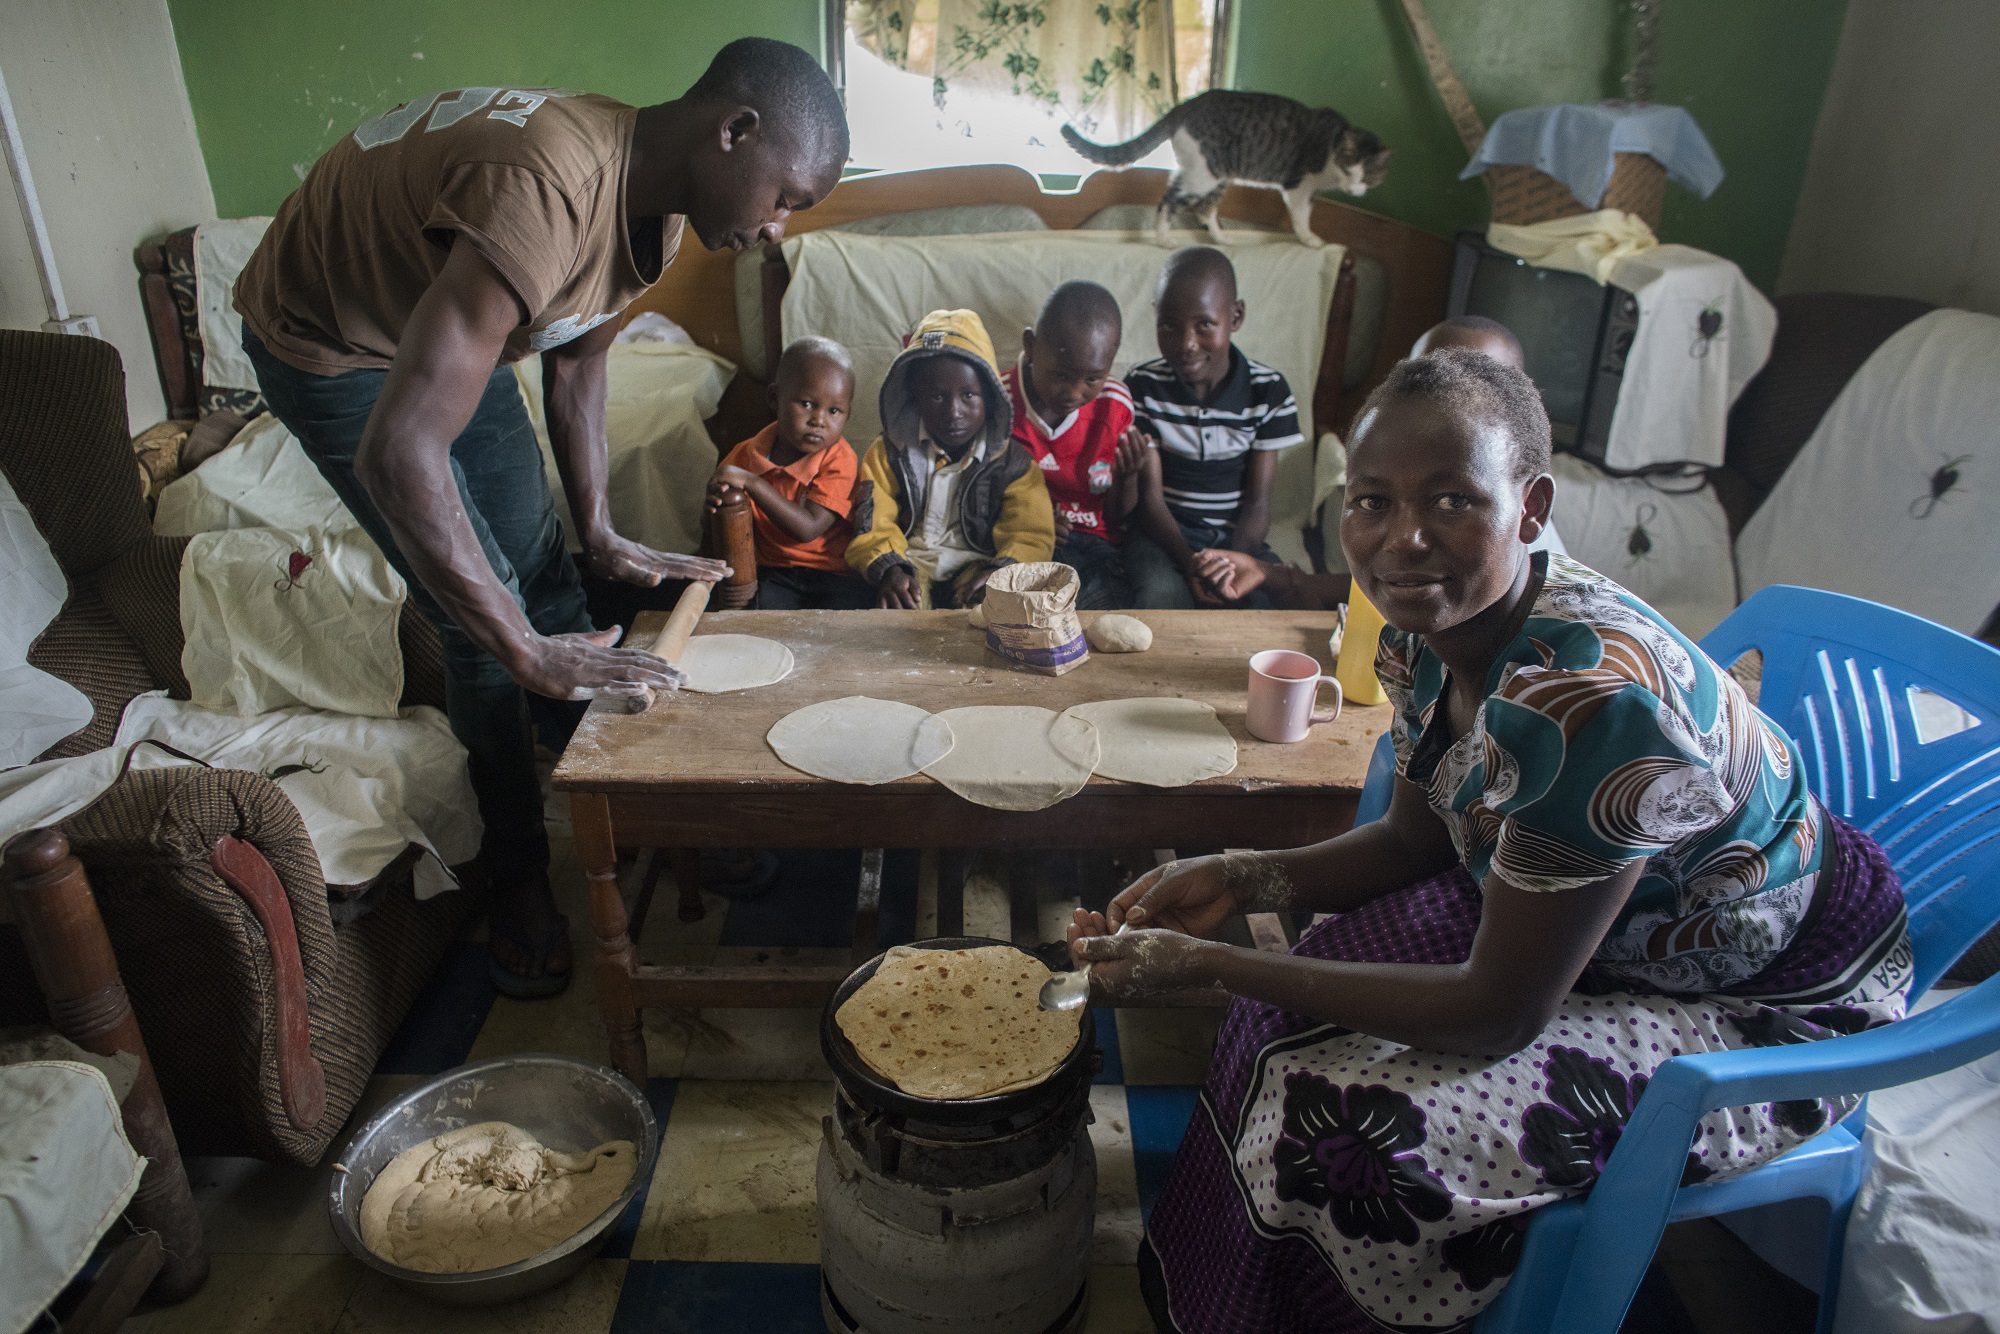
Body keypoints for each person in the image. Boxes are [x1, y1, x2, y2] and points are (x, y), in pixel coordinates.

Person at [1069, 349, 1913, 1333]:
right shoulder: (1419, 634)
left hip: (1766, 996)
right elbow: (1411, 842)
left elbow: (1496, 1012)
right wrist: (1237, 872)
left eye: (1451, 500)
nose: (1400, 539)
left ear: (1530, 504)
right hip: (1587, 917)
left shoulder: (1588, 706)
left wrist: (1214, 962)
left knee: (1344, 1137)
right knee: (1276, 1023)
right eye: (1371, 502)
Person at [234, 39, 849, 997]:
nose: (776, 228)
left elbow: (576, 360)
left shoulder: (664, 212)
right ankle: (519, 877)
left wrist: (598, 528)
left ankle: (625, 807)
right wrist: (524, 649)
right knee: (483, 632)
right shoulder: (548, 191)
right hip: (333, 338)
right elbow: (399, 453)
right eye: (785, 198)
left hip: (437, 313)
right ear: (734, 131)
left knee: (551, 576)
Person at [1122, 247, 1304, 609]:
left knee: (1270, 607)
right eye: (1169, 326)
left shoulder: (1268, 391)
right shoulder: (1143, 386)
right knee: (1162, 598)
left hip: (1236, 537)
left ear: (1235, 317)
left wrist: (1228, 564)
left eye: (1204, 324)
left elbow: (1258, 501)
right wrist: (1189, 560)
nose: (1186, 344)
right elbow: (1150, 499)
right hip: (1162, 536)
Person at [846, 309, 1055, 609]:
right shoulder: (889, 452)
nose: (954, 412)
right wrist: (890, 567)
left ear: (991, 396)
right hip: (909, 561)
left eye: (969, 395)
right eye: (938, 397)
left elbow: (1031, 532)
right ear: (916, 397)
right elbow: (874, 521)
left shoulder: (1014, 465)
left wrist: (1002, 571)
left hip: (977, 563)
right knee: (899, 612)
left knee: (989, 612)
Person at [1001, 281, 1148, 609]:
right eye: (1061, 375)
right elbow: (977, 493)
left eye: (1092, 379)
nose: (1073, 393)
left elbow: (1116, 517)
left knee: (1102, 617)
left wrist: (1127, 477)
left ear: (1109, 365)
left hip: (1095, 547)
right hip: (1018, 541)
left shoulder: (1116, 405)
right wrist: (1032, 519)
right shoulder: (998, 401)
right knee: (1019, 615)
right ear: (1031, 346)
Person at [708, 336, 873, 610]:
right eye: (807, 404)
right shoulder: (745, 456)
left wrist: (753, 483)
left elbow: (808, 528)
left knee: (849, 629)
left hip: (834, 572)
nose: (819, 420)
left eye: (834, 411)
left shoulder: (839, 459)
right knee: (766, 627)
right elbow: (719, 529)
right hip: (775, 571)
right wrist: (713, 507)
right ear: (774, 398)